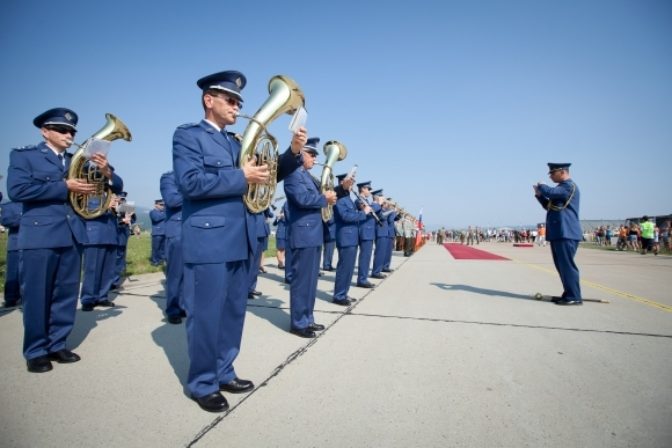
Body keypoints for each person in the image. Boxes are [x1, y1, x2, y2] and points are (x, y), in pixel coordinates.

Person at [172, 70, 308, 412]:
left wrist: (292, 152)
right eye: (230, 100)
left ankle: (224, 370)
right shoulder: (188, 136)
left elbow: (270, 173)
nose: (237, 106)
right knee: (205, 315)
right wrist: (241, 176)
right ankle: (202, 383)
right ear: (209, 100)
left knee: (233, 312)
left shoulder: (236, 142)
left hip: (242, 236)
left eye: (239, 102)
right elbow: (190, 184)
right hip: (209, 239)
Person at [7, 107, 119, 372]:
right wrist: (63, 187)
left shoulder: (77, 160)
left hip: (72, 234)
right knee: (37, 295)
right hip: (40, 235)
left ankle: (57, 344)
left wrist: (106, 173)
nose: (69, 135)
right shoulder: (26, 156)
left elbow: (117, 185)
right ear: (45, 131)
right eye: (62, 130)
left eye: (71, 131)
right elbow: (17, 189)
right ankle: (36, 351)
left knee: (66, 294)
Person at [283, 138, 337, 338]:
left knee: (311, 281)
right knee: (301, 281)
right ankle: (298, 323)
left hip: (313, 234)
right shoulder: (292, 174)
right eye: (312, 154)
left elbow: (323, 196)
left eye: (315, 155)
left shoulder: (308, 176)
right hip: (303, 234)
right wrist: (324, 199)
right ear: (301, 154)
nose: (315, 158)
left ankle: (308, 318)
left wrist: (341, 190)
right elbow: (301, 199)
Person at [533, 162, 583, 306]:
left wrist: (542, 186)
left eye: (552, 173)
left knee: (567, 266)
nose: (550, 176)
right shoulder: (560, 189)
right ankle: (568, 293)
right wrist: (539, 195)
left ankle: (574, 296)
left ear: (562, 172)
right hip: (558, 233)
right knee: (561, 266)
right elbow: (549, 206)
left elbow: (551, 193)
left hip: (566, 232)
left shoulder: (569, 186)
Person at [333, 173, 369, 305]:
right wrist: (363, 213)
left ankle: (344, 293)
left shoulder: (348, 198)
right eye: (350, 182)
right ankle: (339, 296)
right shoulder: (340, 199)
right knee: (344, 268)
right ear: (343, 182)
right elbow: (345, 216)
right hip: (345, 236)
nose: (352, 185)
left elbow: (352, 214)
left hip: (352, 237)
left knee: (349, 268)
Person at [160, 171, 186, 324]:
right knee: (176, 274)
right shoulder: (169, 177)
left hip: (196, 229)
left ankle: (186, 305)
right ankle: (174, 308)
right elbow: (171, 200)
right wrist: (196, 188)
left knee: (192, 274)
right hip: (178, 230)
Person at [354, 181, 380, 288]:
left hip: (368, 231)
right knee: (365, 257)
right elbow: (369, 211)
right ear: (363, 189)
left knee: (367, 256)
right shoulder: (358, 200)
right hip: (364, 231)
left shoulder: (366, 200)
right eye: (368, 189)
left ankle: (363, 278)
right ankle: (362, 279)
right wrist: (378, 203)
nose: (369, 191)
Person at [0, 201, 22, 307]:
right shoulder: (8, 205)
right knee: (13, 272)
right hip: (15, 243)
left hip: (33, 244)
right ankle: (10, 297)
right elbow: (5, 220)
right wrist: (26, 219)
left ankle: (24, 296)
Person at [149, 199, 167, 266]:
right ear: (156, 205)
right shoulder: (152, 212)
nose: (163, 206)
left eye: (164, 205)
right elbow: (156, 218)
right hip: (157, 233)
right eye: (161, 205)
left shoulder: (164, 212)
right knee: (156, 248)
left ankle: (162, 260)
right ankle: (155, 261)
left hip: (164, 232)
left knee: (163, 248)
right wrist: (165, 214)